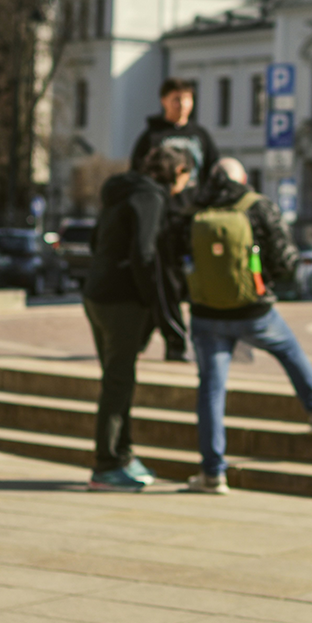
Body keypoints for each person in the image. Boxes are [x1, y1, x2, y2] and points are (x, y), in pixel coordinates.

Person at [177, 157, 312, 495]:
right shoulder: (257, 206)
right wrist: (264, 280)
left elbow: (178, 254)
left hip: (206, 314)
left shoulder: (194, 207)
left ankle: (212, 473)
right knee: (290, 352)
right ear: (242, 179)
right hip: (253, 310)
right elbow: (284, 260)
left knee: (211, 388)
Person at [84, 145, 192, 491]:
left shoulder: (121, 192)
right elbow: (145, 253)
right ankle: (106, 465)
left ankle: (123, 455)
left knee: (117, 377)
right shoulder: (151, 197)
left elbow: (94, 239)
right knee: (118, 382)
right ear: (176, 173)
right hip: (122, 301)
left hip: (96, 294)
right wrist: (152, 302)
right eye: (187, 176)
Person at [131, 78, 219, 362]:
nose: (182, 105)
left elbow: (212, 177)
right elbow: (138, 180)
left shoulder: (201, 136)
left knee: (187, 285)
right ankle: (175, 342)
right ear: (164, 101)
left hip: (193, 223)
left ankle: (142, 338)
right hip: (162, 222)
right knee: (165, 283)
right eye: (175, 99)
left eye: (187, 99)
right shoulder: (151, 137)